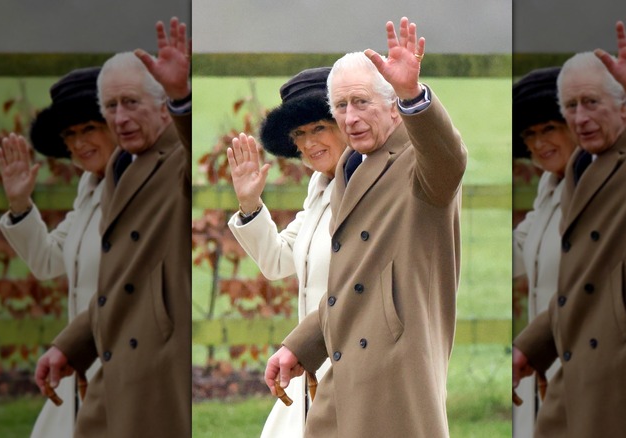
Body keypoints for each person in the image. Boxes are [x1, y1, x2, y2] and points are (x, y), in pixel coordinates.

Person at [264, 17, 467, 437]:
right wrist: (300, 345)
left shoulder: (420, 160)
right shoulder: (347, 169)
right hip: (344, 371)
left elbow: (450, 159)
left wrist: (414, 94)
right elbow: (351, 282)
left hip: (396, 376)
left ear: (392, 104)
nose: (350, 118)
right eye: (340, 107)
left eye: (361, 102)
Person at [512, 17, 626, 437]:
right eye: (571, 107)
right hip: (573, 370)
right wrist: (532, 346)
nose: (580, 117)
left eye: (592, 103)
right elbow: (581, 281)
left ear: (622, 107)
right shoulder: (580, 167)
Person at [33, 17, 192, 437]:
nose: (119, 118)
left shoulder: (178, 158)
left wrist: (184, 100)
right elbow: (119, 283)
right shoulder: (120, 166)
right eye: (110, 107)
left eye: (131, 102)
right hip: (112, 363)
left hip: (160, 369)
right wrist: (70, 345)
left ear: (161, 105)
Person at [226, 67, 346, 437]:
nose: (309, 143)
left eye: (319, 128)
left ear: (345, 124)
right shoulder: (320, 187)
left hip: (351, 363)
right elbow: (278, 261)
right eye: (299, 134)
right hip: (306, 362)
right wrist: (249, 204)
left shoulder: (368, 186)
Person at [0, 66, 115, 438]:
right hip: (76, 357)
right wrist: (19, 204)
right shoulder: (89, 187)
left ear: (114, 126)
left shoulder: (137, 187)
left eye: (89, 129)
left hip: (121, 359)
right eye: (70, 134)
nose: (79, 143)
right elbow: (48, 261)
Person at [510, 66, 576, 438]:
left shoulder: (597, 189)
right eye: (529, 135)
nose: (538, 143)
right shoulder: (550, 185)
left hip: (584, 356)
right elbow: (521, 248)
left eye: (549, 129)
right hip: (540, 358)